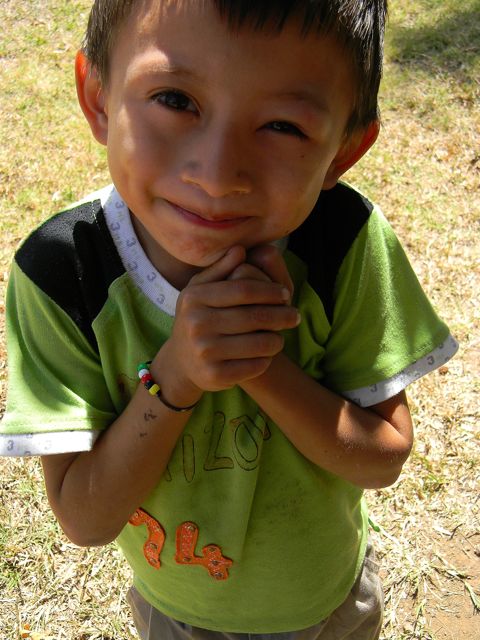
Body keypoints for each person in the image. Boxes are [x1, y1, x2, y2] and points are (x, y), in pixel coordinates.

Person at [1, 1, 458, 638]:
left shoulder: (343, 244)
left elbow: (382, 459)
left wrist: (261, 363)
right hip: (177, 615)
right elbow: (84, 518)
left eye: (282, 126)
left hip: (327, 605)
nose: (217, 176)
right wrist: (176, 376)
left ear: (344, 150)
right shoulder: (62, 273)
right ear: (98, 97)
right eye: (174, 100)